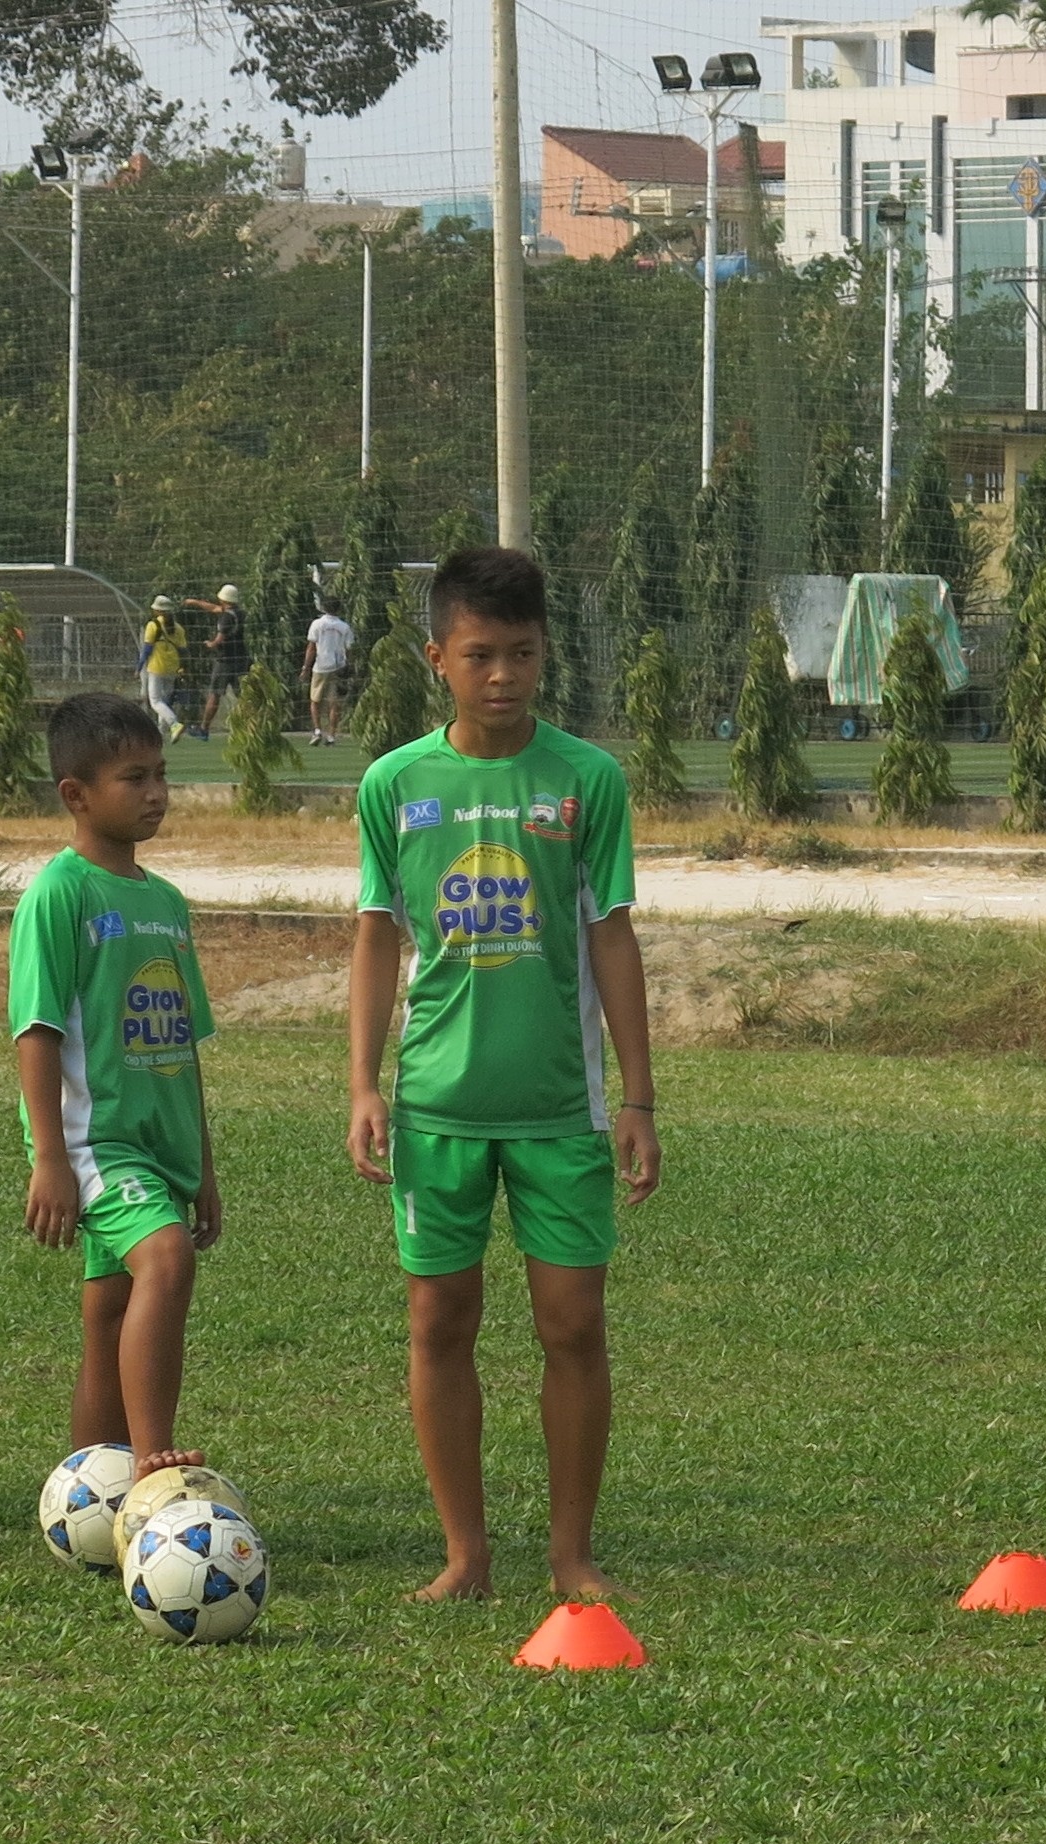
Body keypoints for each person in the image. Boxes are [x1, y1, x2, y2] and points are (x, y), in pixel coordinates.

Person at [347, 545, 659, 1602]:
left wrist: (638, 1098)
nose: (503, 675)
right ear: (437, 657)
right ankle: (465, 1554)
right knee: (440, 1323)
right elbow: (376, 937)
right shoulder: (395, 785)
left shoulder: (587, 779)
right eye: (480, 654)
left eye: (522, 653)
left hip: (560, 1108)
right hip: (436, 1106)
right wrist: (363, 1085)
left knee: (573, 1324)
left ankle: (573, 1555)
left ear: (545, 653)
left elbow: (612, 935)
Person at [11, 691, 223, 1472]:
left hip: (162, 1150)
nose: (156, 793)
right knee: (165, 1262)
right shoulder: (60, 894)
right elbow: (37, 1031)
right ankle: (151, 1458)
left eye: (161, 774)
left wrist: (203, 1167)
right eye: (135, 778)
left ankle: (89, 1484)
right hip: (97, 1143)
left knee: (109, 1317)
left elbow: (184, 1046)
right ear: (76, 794)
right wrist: (49, 1158)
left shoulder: (165, 902)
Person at [196, 582, 249, 740]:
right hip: (241, 659)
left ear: (223, 599)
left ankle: (204, 729)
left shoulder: (225, 617)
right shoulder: (239, 613)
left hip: (225, 661)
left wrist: (210, 644)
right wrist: (195, 602)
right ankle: (251, 727)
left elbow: (219, 639)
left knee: (214, 694)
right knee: (244, 696)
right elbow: (213, 608)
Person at [303, 597, 356, 746]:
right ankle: (331, 735)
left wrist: (306, 667)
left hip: (320, 666)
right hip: (338, 667)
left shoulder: (317, 624)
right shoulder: (344, 626)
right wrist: (349, 665)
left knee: (315, 700)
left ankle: (317, 731)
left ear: (323, 608)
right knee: (334, 703)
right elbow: (349, 649)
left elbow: (311, 647)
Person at [138, 597, 186, 740]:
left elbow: (147, 649)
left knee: (155, 701)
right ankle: (161, 733)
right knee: (164, 701)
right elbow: (183, 650)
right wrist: (183, 667)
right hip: (173, 667)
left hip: (157, 667)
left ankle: (174, 723)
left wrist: (139, 666)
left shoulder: (153, 625)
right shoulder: (178, 628)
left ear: (158, 610)